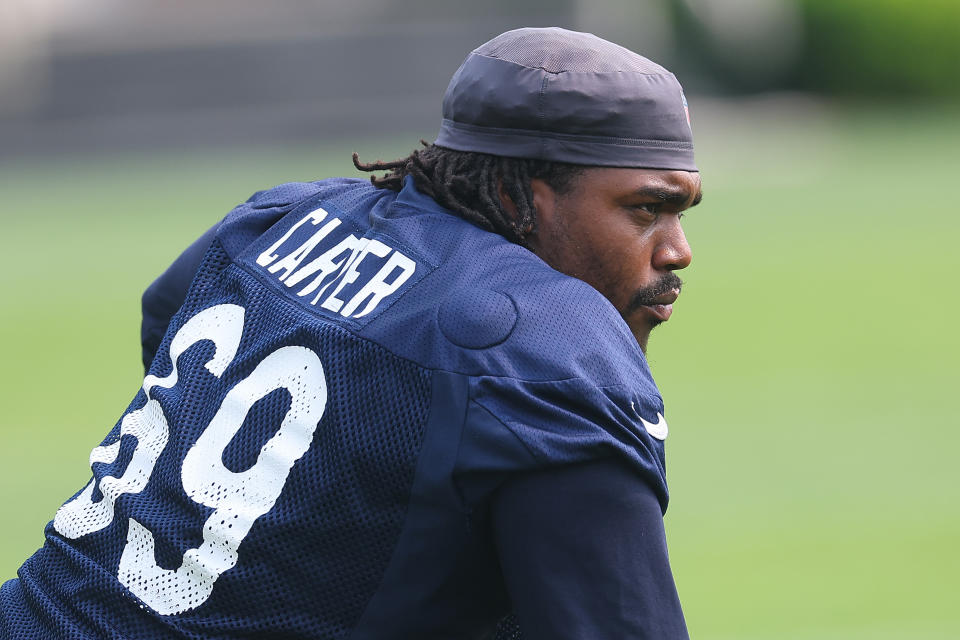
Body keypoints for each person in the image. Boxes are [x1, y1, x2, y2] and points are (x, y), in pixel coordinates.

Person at [1, 27, 702, 639]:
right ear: (523, 196)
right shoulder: (551, 343)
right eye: (647, 208)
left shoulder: (283, 215)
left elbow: (167, 317)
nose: (678, 250)